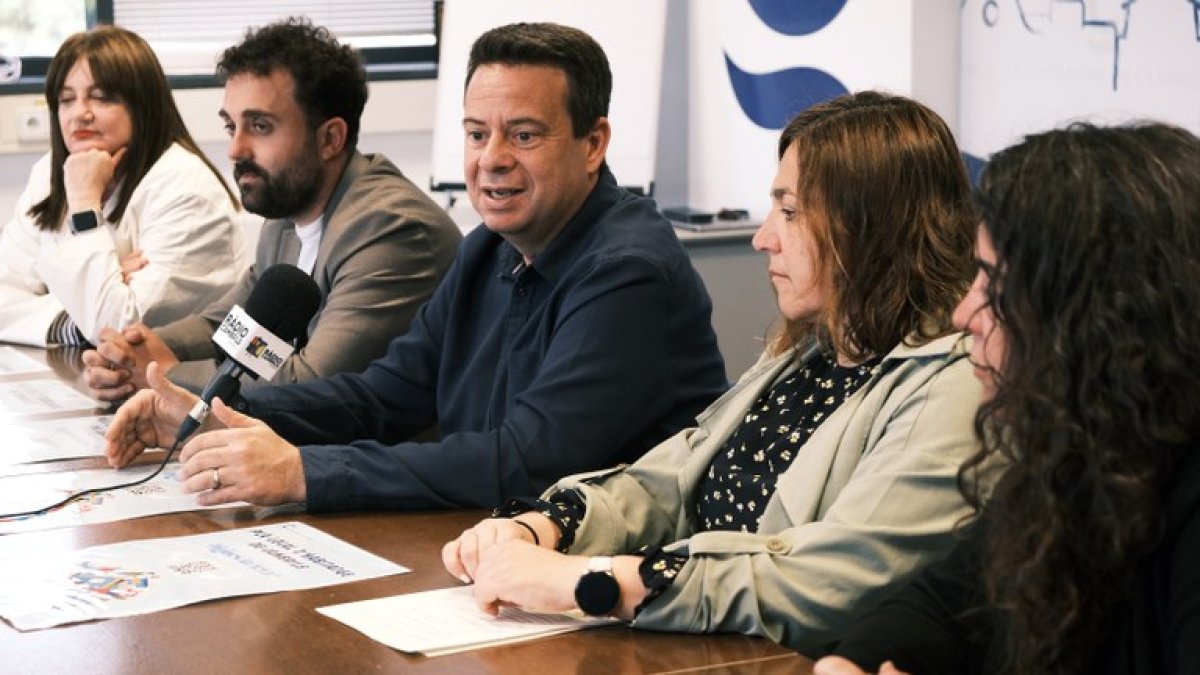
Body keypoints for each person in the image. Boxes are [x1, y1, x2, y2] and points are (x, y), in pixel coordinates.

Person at [441, 91, 988, 654]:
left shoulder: (951, 382)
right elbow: (669, 483)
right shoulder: (815, 349)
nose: (763, 237)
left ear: (872, 228)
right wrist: (545, 525)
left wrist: (596, 581)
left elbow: (830, 580)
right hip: (702, 646)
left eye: (791, 212)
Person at [103, 22, 727, 511]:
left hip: (619, 582)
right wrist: (212, 413)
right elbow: (383, 397)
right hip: (496, 549)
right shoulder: (488, 248)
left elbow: (529, 462)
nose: (492, 159)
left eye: (525, 136)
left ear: (593, 144)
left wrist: (303, 473)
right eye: (477, 134)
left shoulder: (627, 270)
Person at [815, 123, 1200, 675]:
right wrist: (852, 664)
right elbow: (942, 603)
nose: (962, 314)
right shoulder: (1087, 454)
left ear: (1088, 316)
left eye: (993, 285)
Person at [80, 18, 461, 399]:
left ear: (330, 138)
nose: (235, 150)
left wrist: (166, 373)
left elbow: (310, 383)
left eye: (260, 127)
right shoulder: (286, 216)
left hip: (390, 451)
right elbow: (234, 325)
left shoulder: (391, 229)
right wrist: (138, 353)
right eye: (232, 127)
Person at [0, 25, 246, 347]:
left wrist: (85, 204)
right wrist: (83, 307)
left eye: (101, 98)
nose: (80, 114)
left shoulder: (186, 189)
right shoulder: (50, 172)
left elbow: (120, 328)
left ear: (142, 105)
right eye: (66, 100)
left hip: (180, 386)